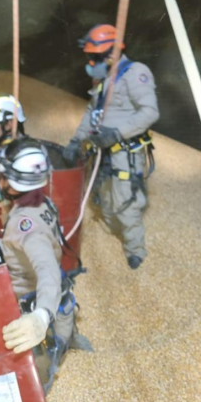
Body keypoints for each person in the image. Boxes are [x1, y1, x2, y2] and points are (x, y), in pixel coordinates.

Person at [0, 138, 92, 394]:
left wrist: (40, 316)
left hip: (32, 298)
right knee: (64, 320)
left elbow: (46, 271)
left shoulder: (26, 228)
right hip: (58, 293)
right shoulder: (44, 201)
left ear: (13, 183)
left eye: (2, 176)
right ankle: (67, 337)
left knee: (34, 376)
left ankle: (42, 385)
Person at [62, 24, 159, 270]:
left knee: (125, 203)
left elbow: (150, 112)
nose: (91, 63)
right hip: (100, 152)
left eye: (95, 58)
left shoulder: (135, 73)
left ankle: (135, 249)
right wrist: (77, 140)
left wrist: (117, 133)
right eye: (90, 58)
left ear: (112, 54)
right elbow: (91, 112)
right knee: (103, 198)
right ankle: (112, 231)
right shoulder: (103, 78)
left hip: (124, 152)